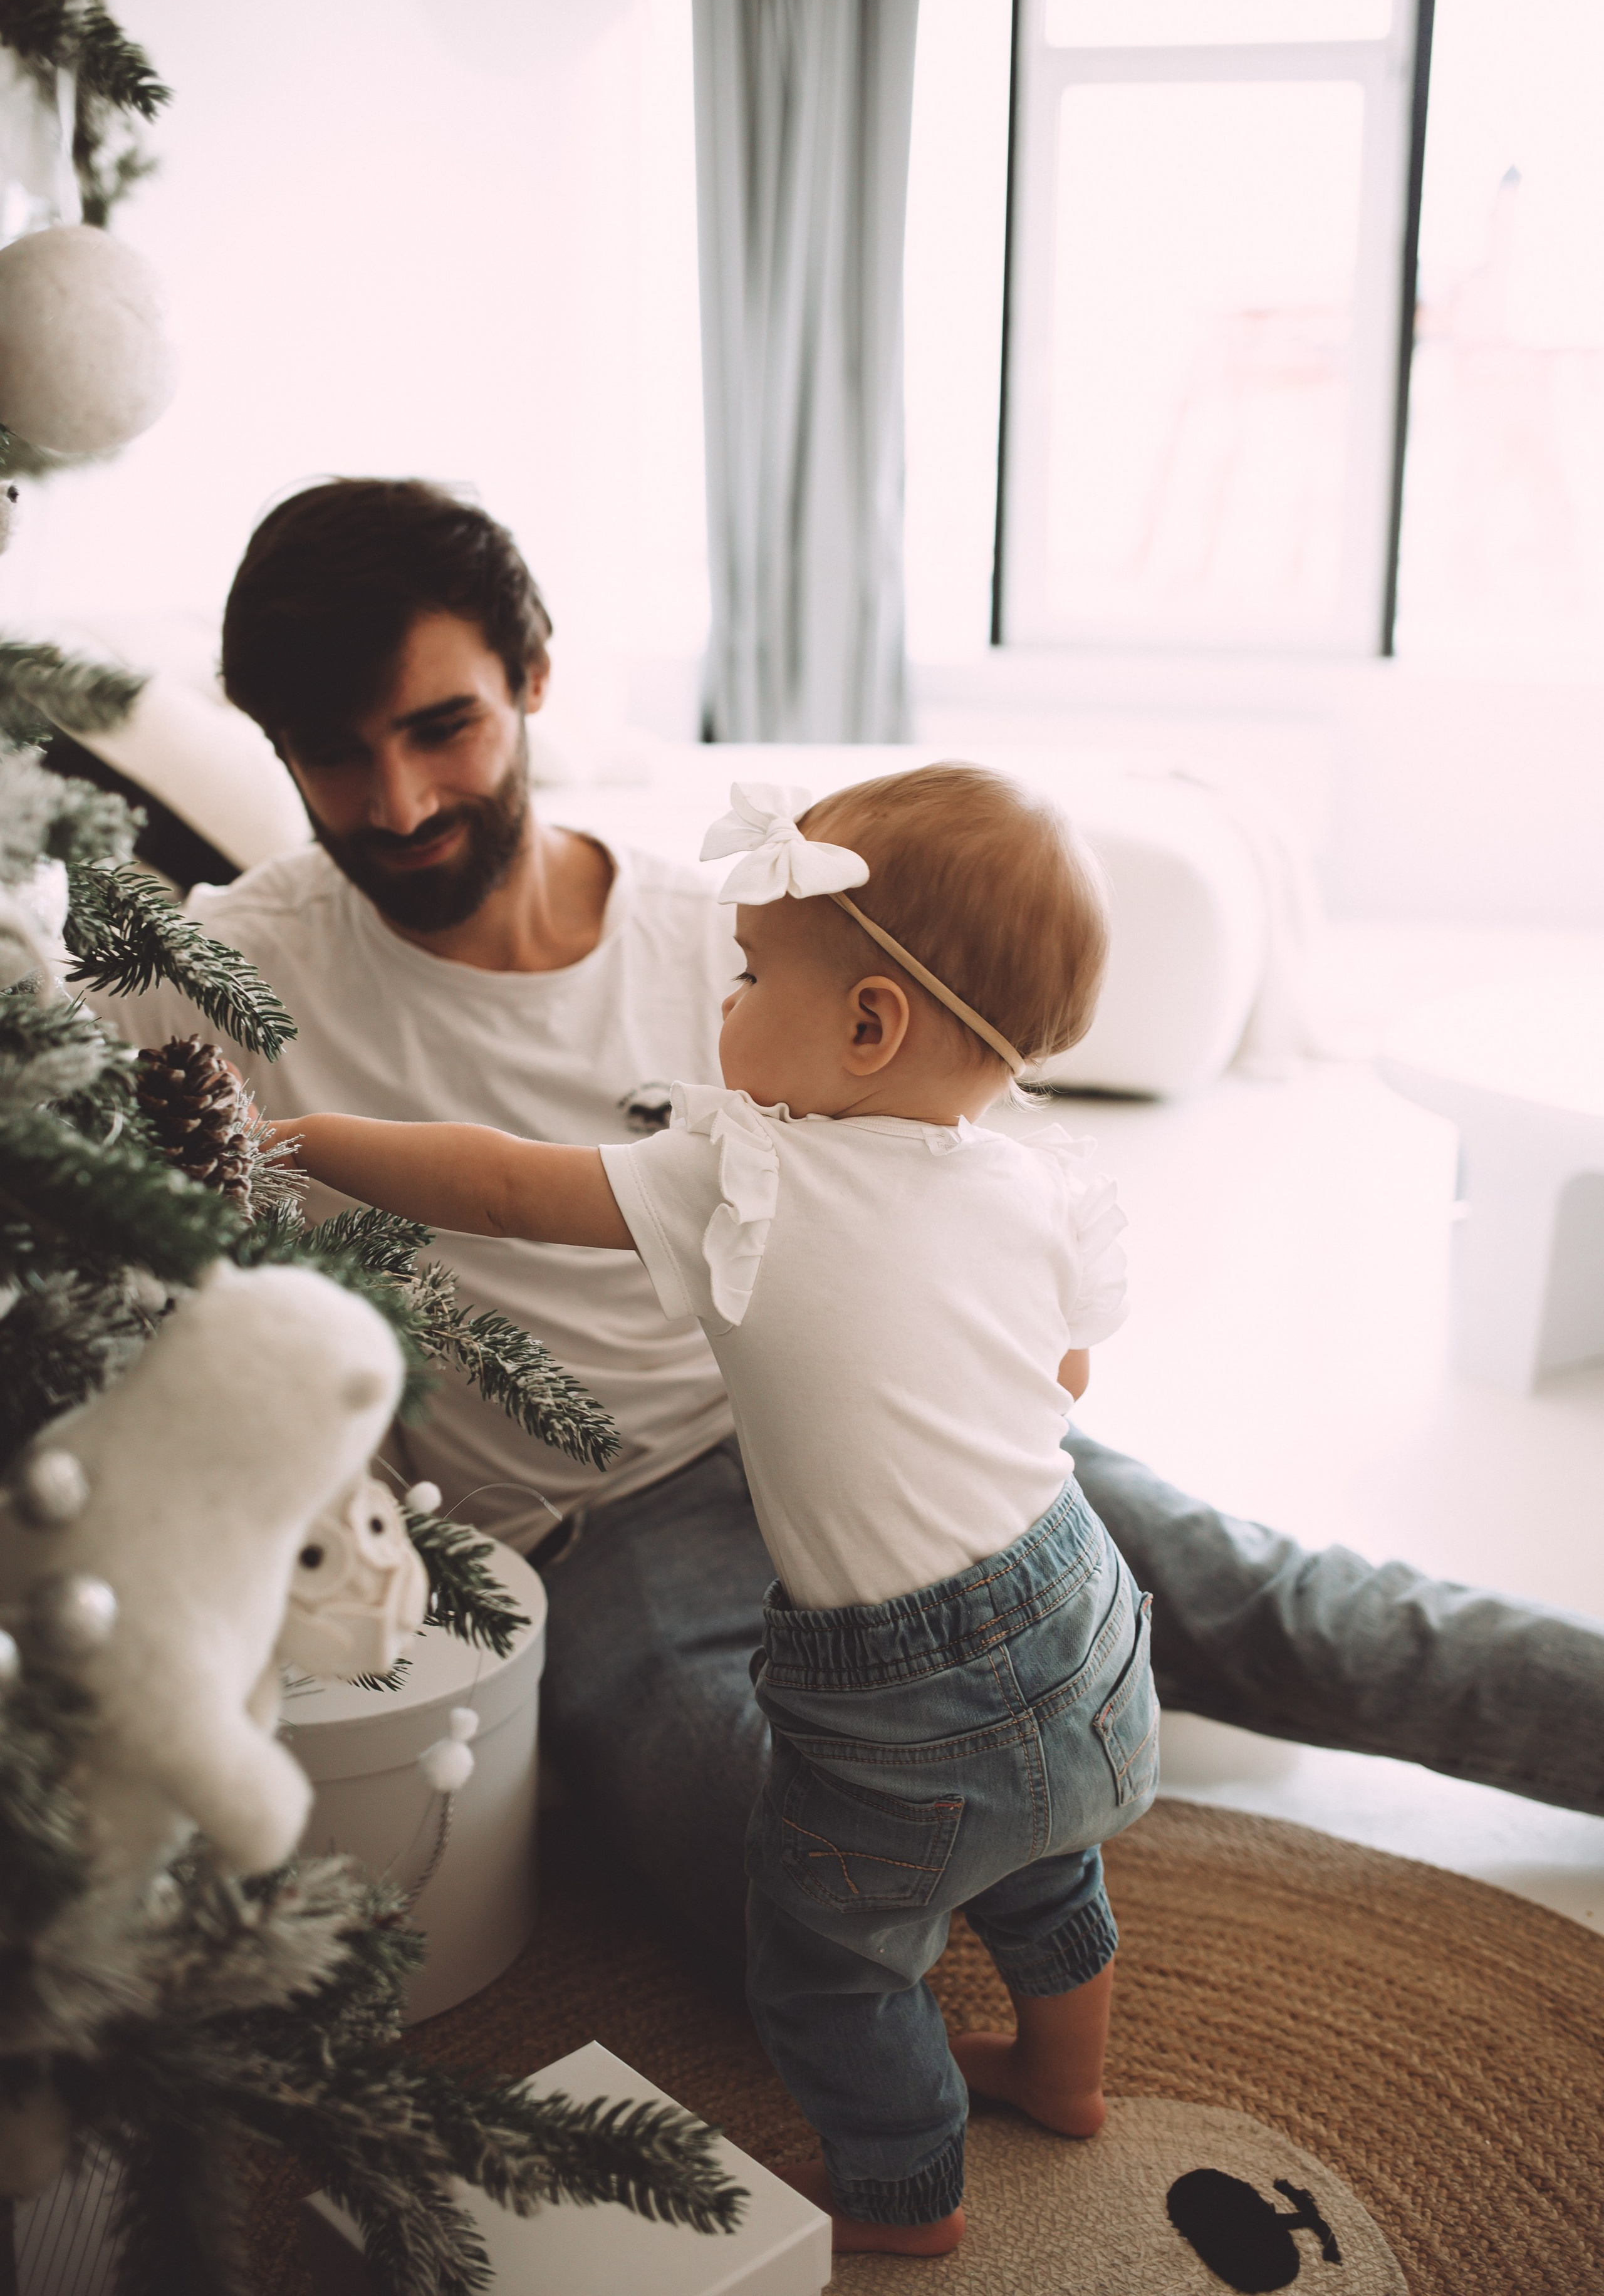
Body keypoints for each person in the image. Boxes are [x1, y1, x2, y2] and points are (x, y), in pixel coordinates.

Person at [91, 477, 1604, 1973]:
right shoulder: (227, 967)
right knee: (777, 1878)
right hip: (600, 1531)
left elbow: (965, 1188)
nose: (399, 803)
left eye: (443, 729)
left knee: (1294, 1609)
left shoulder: (747, 947)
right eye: (333, 756)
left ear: (535, 676)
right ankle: (1053, 1753)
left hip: (882, 1429)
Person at [268, 762, 1156, 2255]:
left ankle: (902, 2196)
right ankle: (1066, 2077)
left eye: (747, 978)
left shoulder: (740, 1175)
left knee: (824, 1962)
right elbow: (1058, 1373)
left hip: (899, 1704)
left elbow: (494, 1185)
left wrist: (302, 1141)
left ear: (868, 1026)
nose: (720, 1008)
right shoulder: (1029, 1184)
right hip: (1081, 1615)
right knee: (1046, 1856)